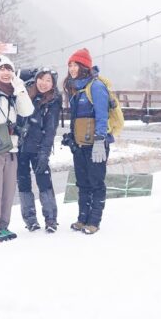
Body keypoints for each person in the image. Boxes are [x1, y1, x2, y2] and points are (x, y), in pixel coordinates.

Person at [0, 42, 34, 242]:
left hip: (11, 146)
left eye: (8, 69)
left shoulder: (13, 95)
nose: (5, 72)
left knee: (9, 189)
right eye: (2, 69)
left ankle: (3, 226)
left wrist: (20, 89)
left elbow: (27, 111)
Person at [63, 48, 112, 235]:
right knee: (82, 182)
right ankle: (82, 218)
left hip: (96, 144)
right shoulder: (76, 88)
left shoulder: (96, 86)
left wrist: (100, 140)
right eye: (69, 65)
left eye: (75, 65)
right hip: (80, 144)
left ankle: (94, 221)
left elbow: (102, 115)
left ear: (84, 66)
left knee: (96, 182)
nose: (72, 68)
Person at [16, 67, 62, 233]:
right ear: (36, 80)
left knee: (44, 183)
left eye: (48, 80)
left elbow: (50, 130)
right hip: (20, 148)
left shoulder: (53, 101)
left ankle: (51, 219)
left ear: (53, 84)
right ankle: (30, 220)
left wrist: (45, 152)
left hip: (38, 148)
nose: (44, 83)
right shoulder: (25, 94)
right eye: (41, 79)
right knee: (23, 184)